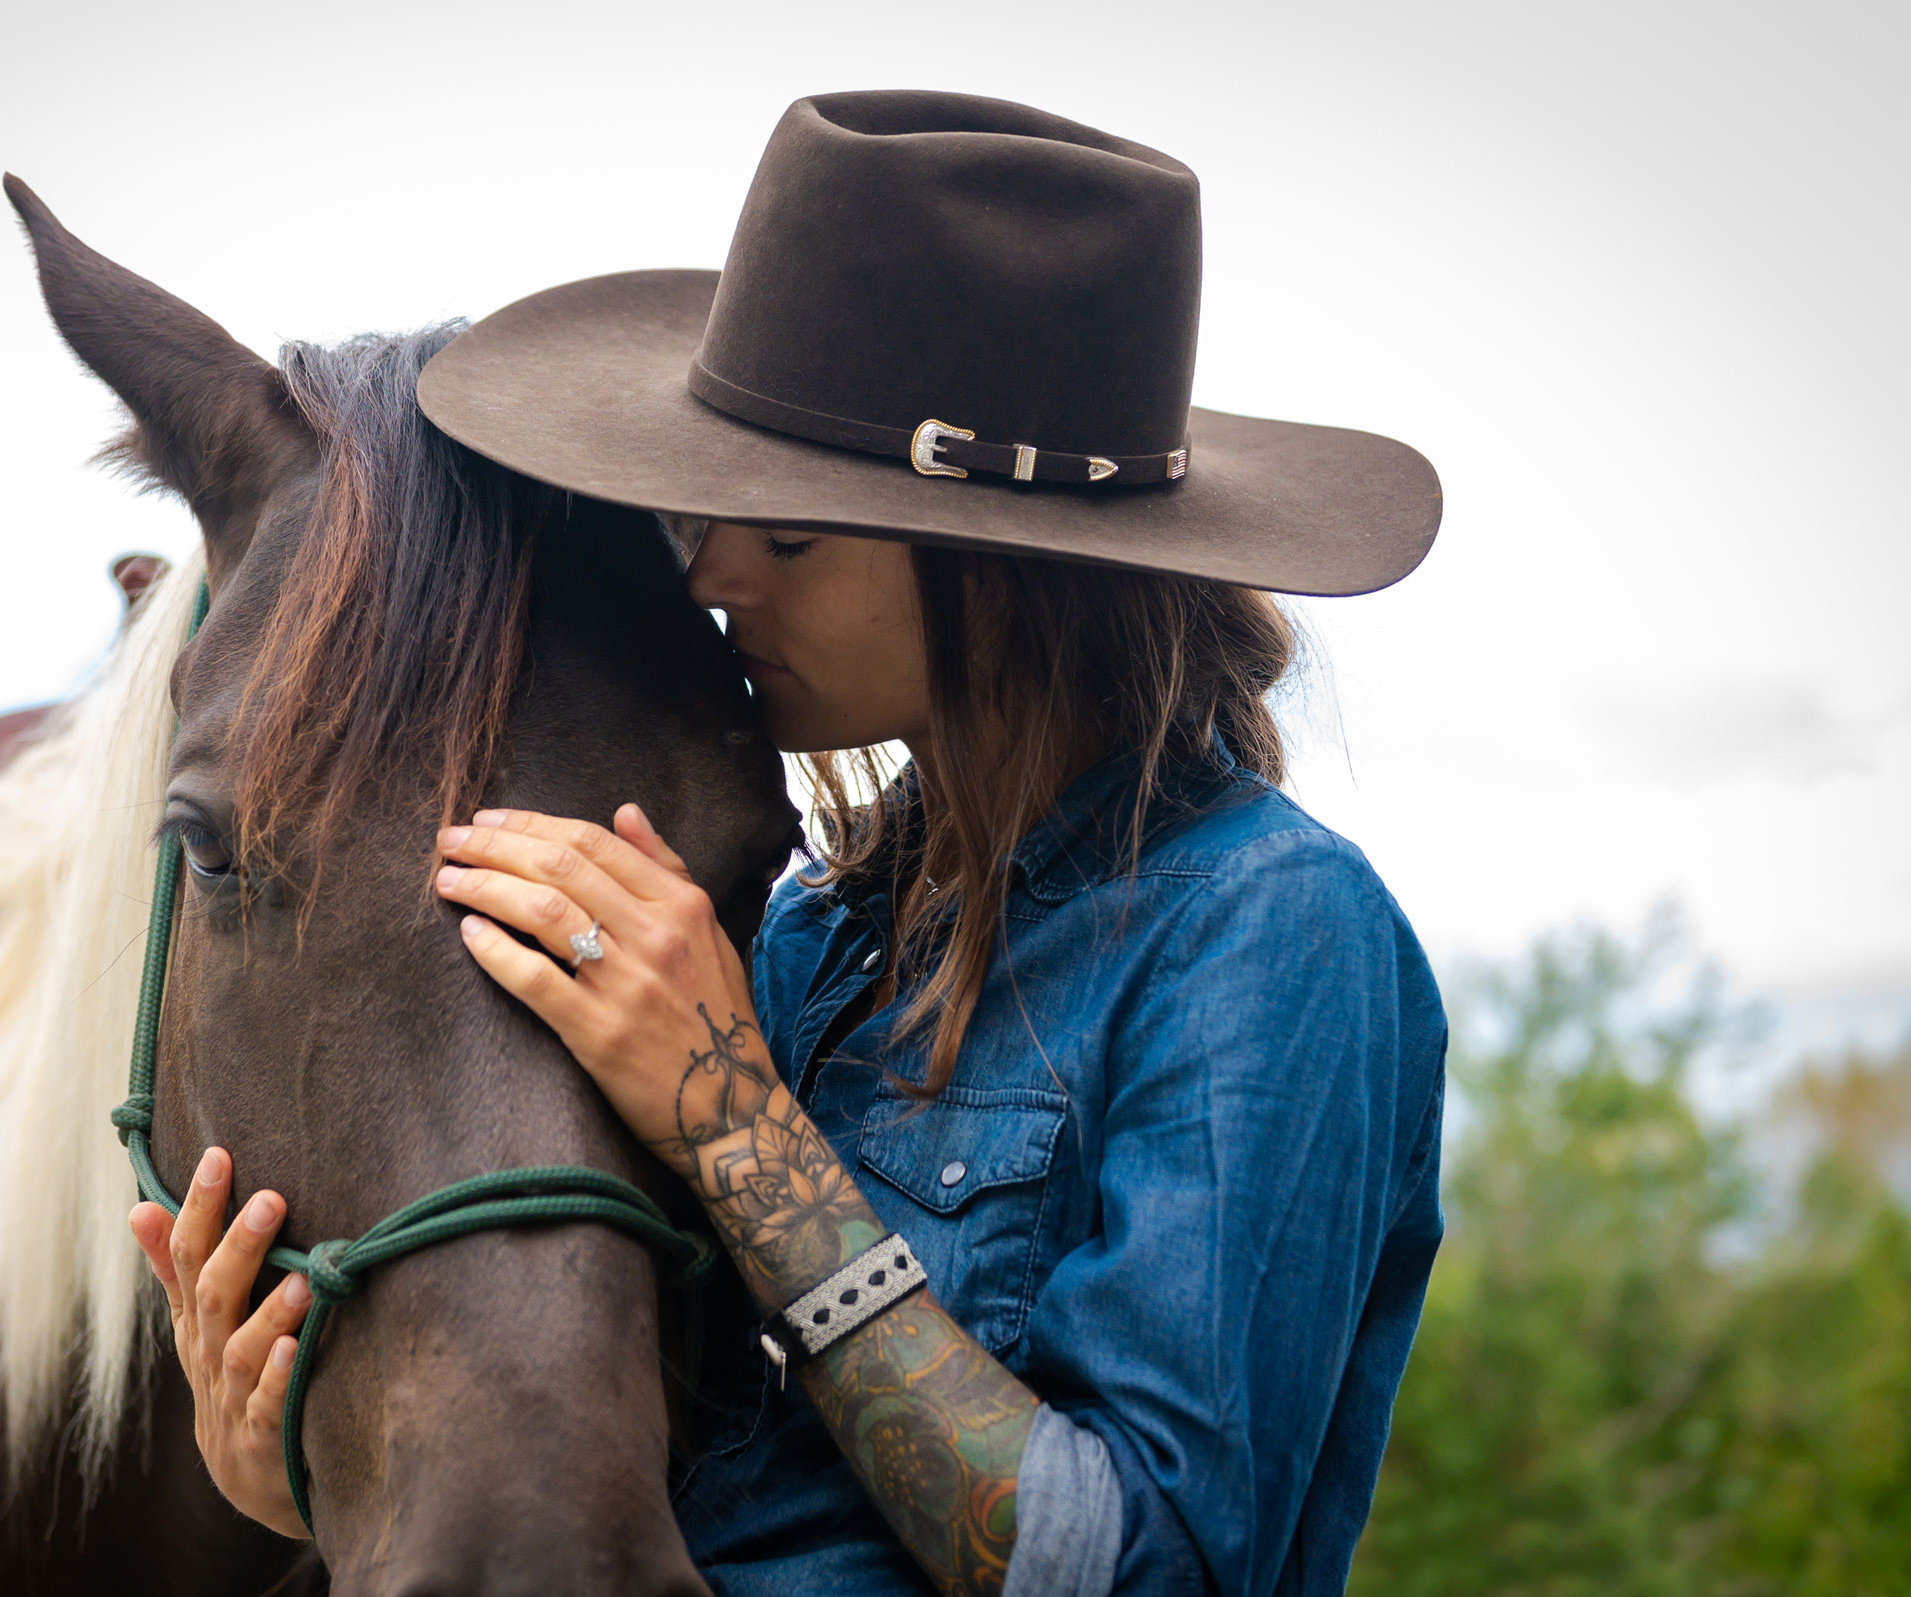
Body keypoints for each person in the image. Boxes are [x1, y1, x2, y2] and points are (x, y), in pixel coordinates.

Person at [130, 91, 1448, 1596]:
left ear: (1011, 563)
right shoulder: (808, 929)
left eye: (795, 534)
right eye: (719, 514)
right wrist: (315, 1474)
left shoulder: (1271, 933)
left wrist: (737, 1127)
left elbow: (1150, 1570)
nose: (715, 576)